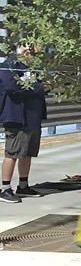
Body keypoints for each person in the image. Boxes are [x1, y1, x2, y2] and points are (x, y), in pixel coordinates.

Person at [0, 46, 47, 203]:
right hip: (17, 117)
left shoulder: (33, 68)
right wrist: (35, 88)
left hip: (33, 117)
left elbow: (43, 86)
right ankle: (5, 189)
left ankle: (23, 185)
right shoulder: (10, 65)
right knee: (13, 153)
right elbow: (12, 87)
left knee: (27, 153)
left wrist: (36, 88)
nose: (33, 56)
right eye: (30, 52)